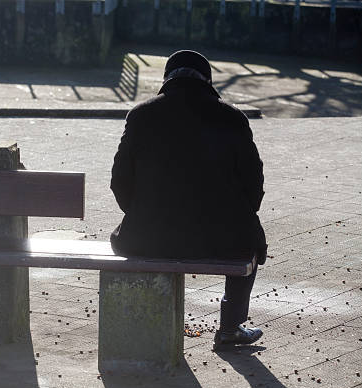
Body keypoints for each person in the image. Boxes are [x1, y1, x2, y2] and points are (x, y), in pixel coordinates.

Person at [109, 50, 267, 350]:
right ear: (207, 80)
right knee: (252, 238)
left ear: (167, 78)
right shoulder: (232, 118)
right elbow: (253, 183)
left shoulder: (141, 115)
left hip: (146, 237)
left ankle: (145, 327)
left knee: (121, 238)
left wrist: (143, 212)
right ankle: (230, 327)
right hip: (221, 241)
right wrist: (240, 217)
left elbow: (119, 180)